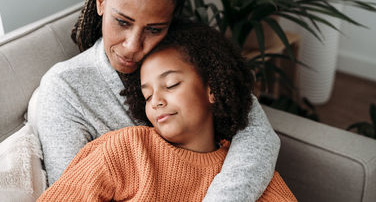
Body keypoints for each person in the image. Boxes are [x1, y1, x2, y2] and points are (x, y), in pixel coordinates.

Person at [35, 0, 280, 201]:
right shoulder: (65, 88)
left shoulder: (185, 53)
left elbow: (257, 134)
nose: (132, 46)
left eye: (154, 29)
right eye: (123, 22)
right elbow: (74, 190)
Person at [38, 23, 296, 202]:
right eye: (147, 96)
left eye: (171, 84)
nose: (157, 101)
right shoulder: (127, 149)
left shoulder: (248, 173)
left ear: (213, 89)